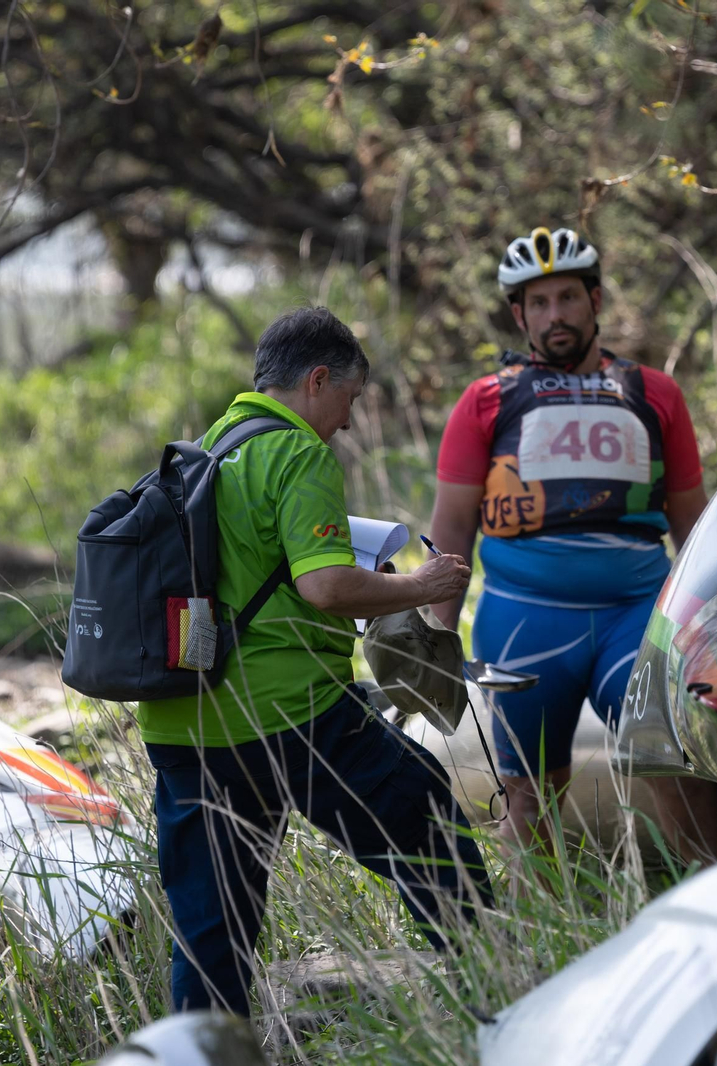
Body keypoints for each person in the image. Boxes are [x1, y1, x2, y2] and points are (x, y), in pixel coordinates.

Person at [138, 307, 490, 1017]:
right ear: (318, 380)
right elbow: (325, 585)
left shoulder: (207, 448)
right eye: (350, 400)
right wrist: (420, 585)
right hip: (288, 715)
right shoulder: (296, 453)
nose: (349, 422)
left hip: (184, 724)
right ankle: (496, 993)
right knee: (428, 824)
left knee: (213, 929)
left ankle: (204, 1050)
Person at [429, 225, 717, 863]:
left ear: (595, 300)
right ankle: (514, 955)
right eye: (538, 303)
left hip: (637, 620)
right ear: (519, 314)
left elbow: (693, 526)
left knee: (677, 770)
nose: (554, 314)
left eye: (567, 297)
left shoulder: (655, 394)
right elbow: (451, 526)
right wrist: (433, 632)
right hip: (524, 622)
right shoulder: (485, 401)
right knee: (528, 799)